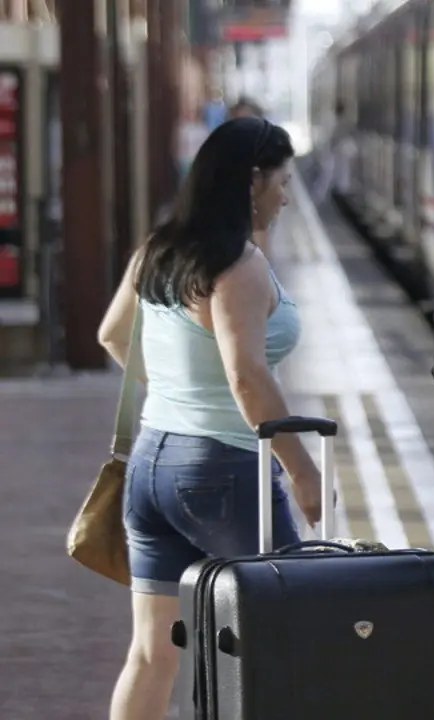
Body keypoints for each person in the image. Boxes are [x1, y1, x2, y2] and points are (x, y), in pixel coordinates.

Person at [96, 116, 320, 720]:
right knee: (287, 633)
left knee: (151, 653)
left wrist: (176, 388)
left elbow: (113, 336)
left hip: (151, 466)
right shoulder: (237, 266)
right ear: (252, 182)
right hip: (220, 470)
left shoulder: (159, 249)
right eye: (282, 180)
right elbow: (248, 377)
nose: (286, 194)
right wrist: (302, 470)